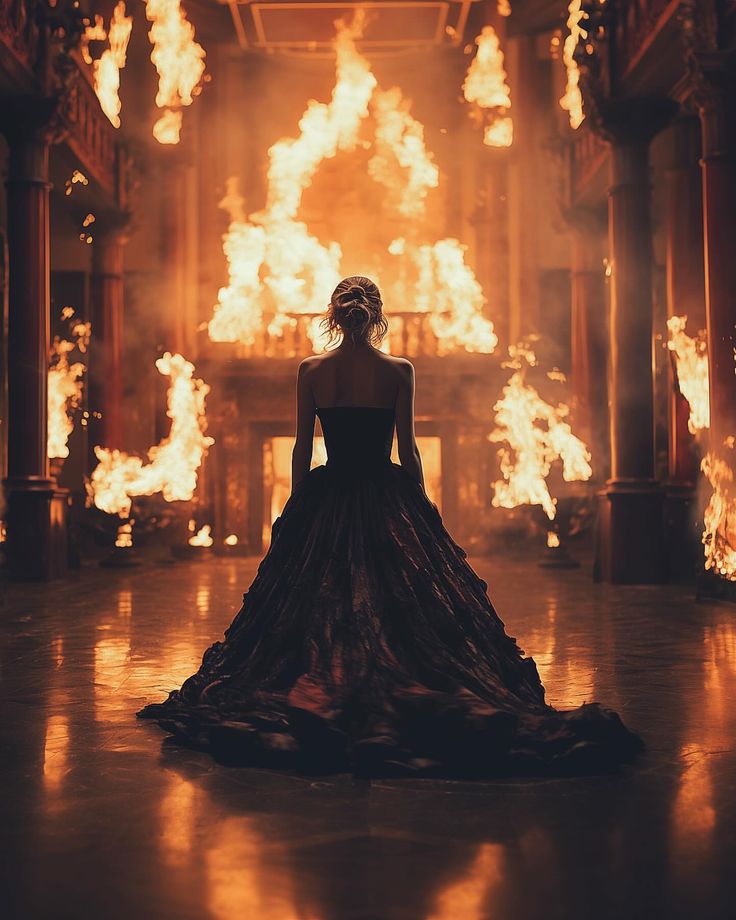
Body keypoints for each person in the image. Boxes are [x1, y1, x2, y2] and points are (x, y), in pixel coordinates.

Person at [139, 276, 642, 776]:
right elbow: (408, 446)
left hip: (330, 491)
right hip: (384, 489)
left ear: (334, 317)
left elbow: (299, 445)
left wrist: (298, 500)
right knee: (401, 594)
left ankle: (329, 675)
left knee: (320, 594)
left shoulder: (311, 369)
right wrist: (419, 501)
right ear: (376, 316)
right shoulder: (400, 370)